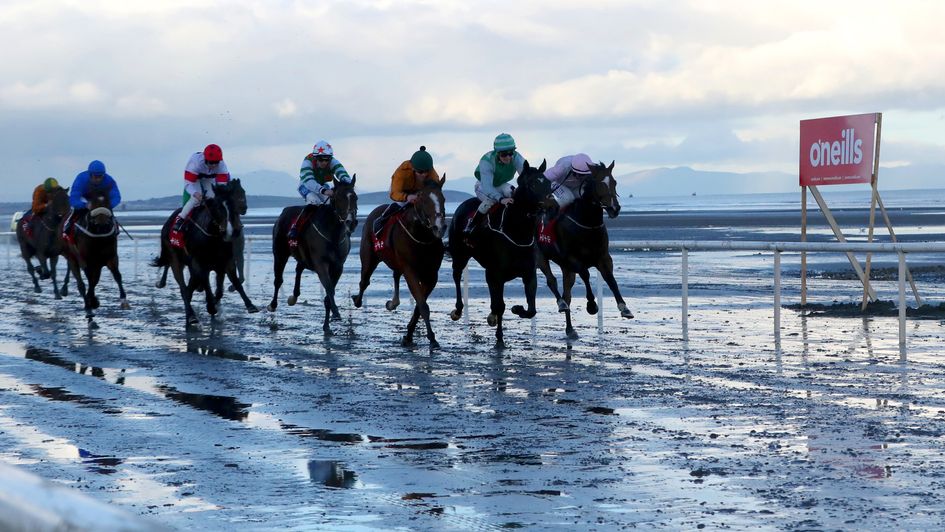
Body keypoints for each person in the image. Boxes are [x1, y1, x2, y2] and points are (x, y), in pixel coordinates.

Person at [287, 140, 353, 240]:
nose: (324, 162)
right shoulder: (307, 161)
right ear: (315, 158)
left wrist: (348, 183)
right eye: (321, 159)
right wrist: (323, 191)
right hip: (306, 185)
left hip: (322, 184)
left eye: (327, 160)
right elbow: (309, 180)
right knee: (314, 201)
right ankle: (295, 227)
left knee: (330, 202)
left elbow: (342, 173)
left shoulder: (333, 162)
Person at [169, 144, 231, 248]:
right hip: (194, 178)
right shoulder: (195, 163)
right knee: (195, 199)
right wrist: (195, 193)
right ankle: (180, 219)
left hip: (209, 178)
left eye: (216, 162)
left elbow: (222, 187)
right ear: (205, 160)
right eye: (211, 162)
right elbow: (188, 184)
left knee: (213, 199)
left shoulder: (222, 166)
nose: (214, 165)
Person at [464, 133, 526, 236]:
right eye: (504, 154)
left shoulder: (516, 157)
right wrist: (501, 199)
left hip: (500, 184)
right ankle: (472, 224)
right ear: (497, 152)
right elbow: (488, 187)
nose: (508, 157)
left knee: (513, 193)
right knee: (491, 200)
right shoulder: (486, 161)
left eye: (510, 153)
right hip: (483, 185)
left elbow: (526, 175)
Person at [372, 146, 440, 233]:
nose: (424, 174)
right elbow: (394, 193)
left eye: (427, 171)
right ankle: (382, 220)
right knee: (400, 204)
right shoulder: (402, 172)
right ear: (413, 168)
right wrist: (407, 197)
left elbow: (435, 191)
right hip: (401, 190)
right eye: (420, 172)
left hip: (420, 190)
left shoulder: (433, 174)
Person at [62, 161, 121, 241]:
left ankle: (115, 229)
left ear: (104, 175)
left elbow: (116, 197)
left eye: (100, 176)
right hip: (85, 200)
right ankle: (67, 228)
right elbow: (73, 199)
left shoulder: (109, 180)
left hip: (100, 202)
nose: (98, 179)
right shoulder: (81, 179)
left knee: (109, 214)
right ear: (90, 175)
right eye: (95, 176)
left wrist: (108, 205)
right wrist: (85, 205)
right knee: (75, 212)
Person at [542, 153, 595, 217]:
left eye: (581, 175)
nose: (577, 177)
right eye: (574, 173)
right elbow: (542, 179)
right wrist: (544, 196)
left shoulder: (594, 170)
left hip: (576, 187)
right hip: (558, 183)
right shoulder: (562, 167)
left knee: (585, 198)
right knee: (568, 197)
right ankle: (550, 215)